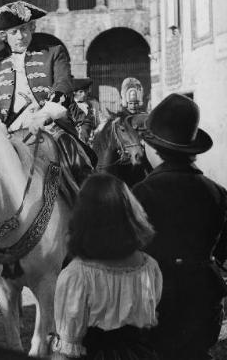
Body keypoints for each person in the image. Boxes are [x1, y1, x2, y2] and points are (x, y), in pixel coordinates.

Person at [130, 93, 227, 360]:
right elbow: (224, 251)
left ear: (154, 149)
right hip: (205, 302)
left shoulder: (141, 192)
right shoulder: (218, 192)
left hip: (157, 300)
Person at [0, 0, 95, 190]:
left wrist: (45, 114)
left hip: (50, 127)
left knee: (79, 164)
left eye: (25, 29)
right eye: (14, 32)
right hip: (10, 132)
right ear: (4, 36)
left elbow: (63, 84)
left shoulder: (53, 52)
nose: (21, 36)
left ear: (32, 28)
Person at [52, 173, 163, 359]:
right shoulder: (149, 267)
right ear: (130, 213)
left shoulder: (76, 275)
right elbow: (149, 319)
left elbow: (68, 344)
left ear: (83, 217)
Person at [68, 78, 103, 144]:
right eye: (81, 92)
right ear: (74, 92)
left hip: (93, 142)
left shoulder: (94, 104)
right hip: (74, 142)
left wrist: (97, 132)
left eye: (85, 91)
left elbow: (101, 122)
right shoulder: (69, 105)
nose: (84, 94)